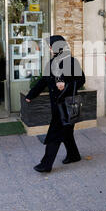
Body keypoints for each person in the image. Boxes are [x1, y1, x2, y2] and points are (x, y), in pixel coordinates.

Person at [25, 35, 86, 173]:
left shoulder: (71, 62)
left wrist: (65, 86)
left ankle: (46, 164)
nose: (50, 49)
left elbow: (81, 80)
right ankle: (74, 155)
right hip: (57, 106)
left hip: (66, 106)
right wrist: (31, 95)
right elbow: (43, 81)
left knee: (55, 134)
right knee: (67, 132)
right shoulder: (52, 63)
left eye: (52, 46)